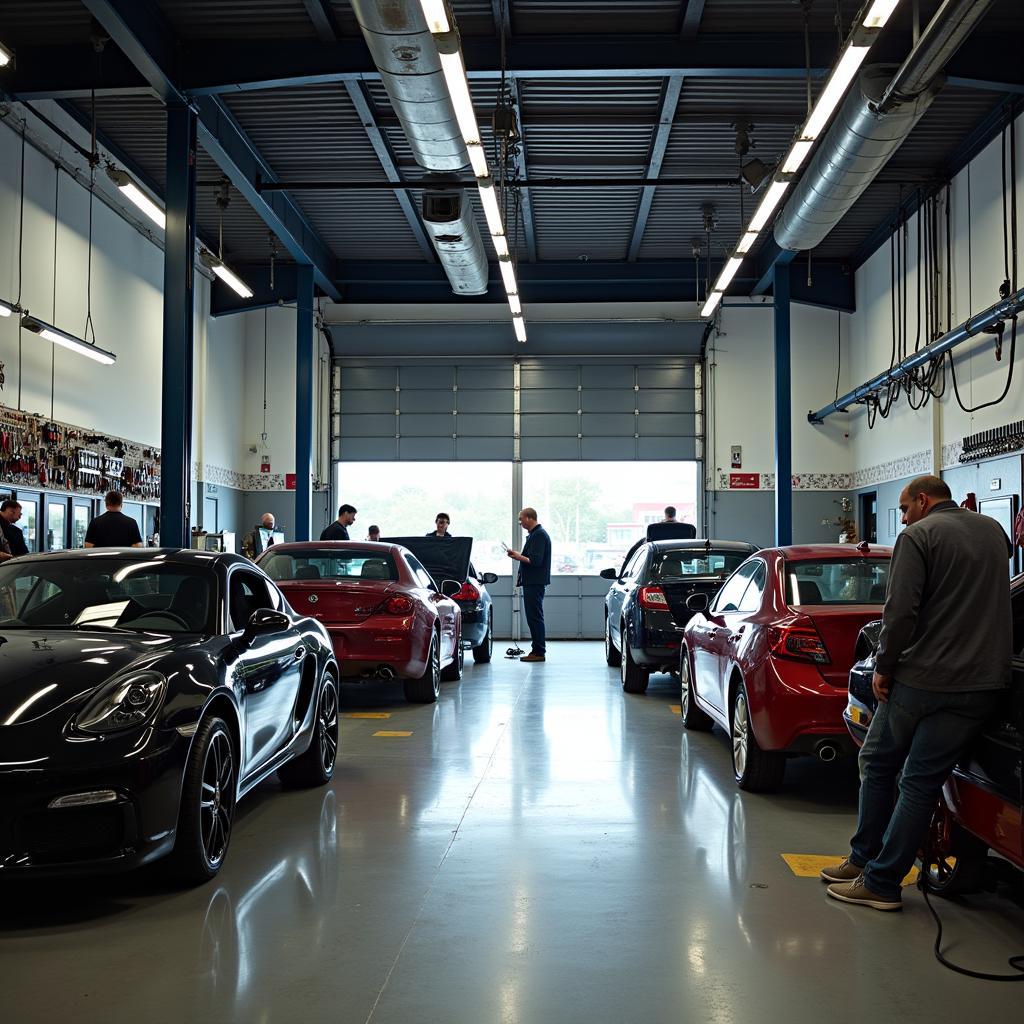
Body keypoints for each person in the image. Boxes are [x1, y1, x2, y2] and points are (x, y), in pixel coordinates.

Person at [822, 475, 1011, 911]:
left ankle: (869, 866)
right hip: (982, 683)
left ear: (923, 501)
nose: (903, 517)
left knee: (877, 760)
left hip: (924, 679)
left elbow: (900, 611)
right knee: (922, 781)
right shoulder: (994, 532)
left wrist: (883, 668)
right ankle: (879, 878)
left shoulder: (919, 536)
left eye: (905, 509)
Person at [507, 507, 551, 663]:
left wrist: (518, 556)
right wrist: (518, 555)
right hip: (533, 582)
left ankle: (539, 651)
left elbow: (535, 561)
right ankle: (537, 649)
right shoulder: (535, 535)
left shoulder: (538, 535)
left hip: (534, 582)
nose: (519, 522)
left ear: (530, 518)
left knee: (535, 617)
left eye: (521, 519)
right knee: (534, 617)